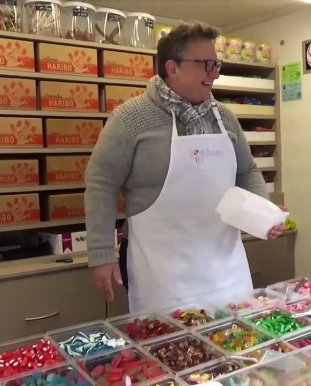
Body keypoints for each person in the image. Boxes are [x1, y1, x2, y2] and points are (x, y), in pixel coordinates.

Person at [84, 22, 287, 313]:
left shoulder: (225, 119)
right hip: (162, 277)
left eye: (215, 64)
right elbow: (101, 185)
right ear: (173, 68)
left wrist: (262, 212)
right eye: (205, 64)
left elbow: (247, 171)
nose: (215, 73)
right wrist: (101, 254)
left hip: (226, 270)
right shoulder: (130, 119)